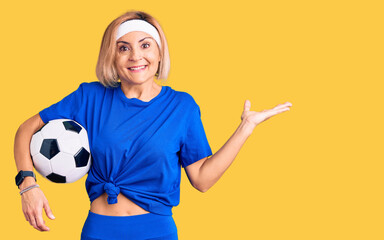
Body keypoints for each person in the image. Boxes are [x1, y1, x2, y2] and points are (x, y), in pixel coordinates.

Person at [13, 10, 292, 240]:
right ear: (113, 56)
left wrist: (245, 128)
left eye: (145, 45)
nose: (135, 56)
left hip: (156, 232)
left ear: (159, 54)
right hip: (100, 230)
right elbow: (26, 130)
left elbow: (202, 180)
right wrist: (28, 186)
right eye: (124, 48)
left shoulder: (182, 107)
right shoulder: (90, 97)